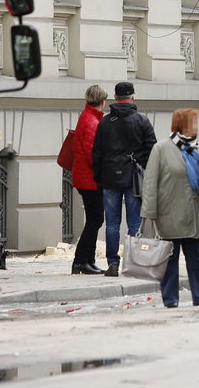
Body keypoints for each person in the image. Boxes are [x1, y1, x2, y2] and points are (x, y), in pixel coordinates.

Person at [141, 109, 199, 307]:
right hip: (169, 213)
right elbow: (150, 182)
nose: (196, 126)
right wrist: (150, 213)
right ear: (181, 124)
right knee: (170, 259)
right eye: (193, 122)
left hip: (195, 214)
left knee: (196, 257)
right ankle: (170, 298)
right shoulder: (161, 149)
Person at [92, 82, 157, 277]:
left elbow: (96, 153)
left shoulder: (105, 122)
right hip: (134, 179)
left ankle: (112, 263)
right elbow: (152, 150)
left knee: (111, 223)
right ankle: (133, 263)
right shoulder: (141, 121)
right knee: (134, 223)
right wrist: (142, 167)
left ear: (115, 97)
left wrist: (99, 177)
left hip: (110, 177)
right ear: (133, 97)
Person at [70, 84, 109, 275]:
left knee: (95, 219)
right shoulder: (91, 121)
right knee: (95, 219)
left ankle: (89, 261)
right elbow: (92, 154)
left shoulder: (87, 117)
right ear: (102, 101)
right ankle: (80, 261)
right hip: (90, 179)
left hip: (86, 178)